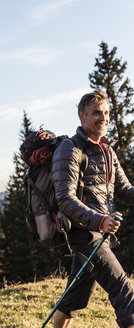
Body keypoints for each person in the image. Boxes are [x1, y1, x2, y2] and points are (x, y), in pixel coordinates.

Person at [51, 89, 134, 328]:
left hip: (101, 234)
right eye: (97, 113)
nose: (104, 118)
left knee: (73, 299)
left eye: (107, 113)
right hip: (83, 234)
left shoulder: (107, 150)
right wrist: (99, 221)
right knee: (125, 293)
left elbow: (124, 190)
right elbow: (64, 199)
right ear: (81, 116)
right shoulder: (70, 149)